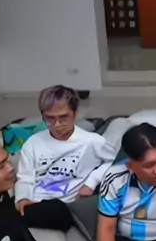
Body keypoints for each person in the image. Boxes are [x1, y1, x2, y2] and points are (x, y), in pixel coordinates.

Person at [15, 86, 116, 232]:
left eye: (63, 117)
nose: (57, 125)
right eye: (50, 118)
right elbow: (25, 178)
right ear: (43, 116)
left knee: (56, 210)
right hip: (35, 203)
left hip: (64, 206)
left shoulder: (92, 141)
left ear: (75, 114)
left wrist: (91, 182)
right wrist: (22, 199)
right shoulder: (33, 143)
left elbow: (116, 162)